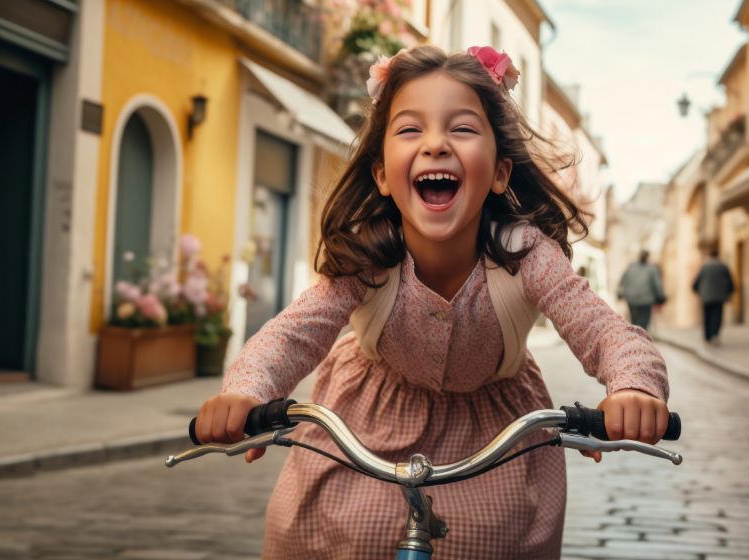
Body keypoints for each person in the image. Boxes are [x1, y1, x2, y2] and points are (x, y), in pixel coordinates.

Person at [193, 45, 670, 559]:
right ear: (381, 174)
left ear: (501, 172)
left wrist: (634, 387)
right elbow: (295, 332)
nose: (436, 144)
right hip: (362, 428)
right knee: (315, 532)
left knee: (502, 538)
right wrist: (245, 390)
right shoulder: (369, 254)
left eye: (462, 128)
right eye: (410, 129)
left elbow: (602, 329)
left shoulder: (525, 253)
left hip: (496, 438)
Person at [692, 247, 734, 344]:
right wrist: (729, 292)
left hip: (706, 296)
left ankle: (707, 336)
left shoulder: (705, 267)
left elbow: (696, 282)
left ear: (710, 256)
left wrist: (698, 291)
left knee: (707, 316)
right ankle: (715, 333)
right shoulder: (723, 266)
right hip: (719, 296)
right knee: (717, 315)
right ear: (717, 255)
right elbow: (730, 281)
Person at [617, 250, 666, 330]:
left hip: (632, 299)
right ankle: (641, 336)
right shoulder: (652, 269)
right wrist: (661, 296)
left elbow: (623, 281)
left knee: (635, 320)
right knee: (643, 322)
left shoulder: (631, 267)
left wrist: (620, 293)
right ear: (648, 257)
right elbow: (657, 284)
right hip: (646, 300)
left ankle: (636, 337)